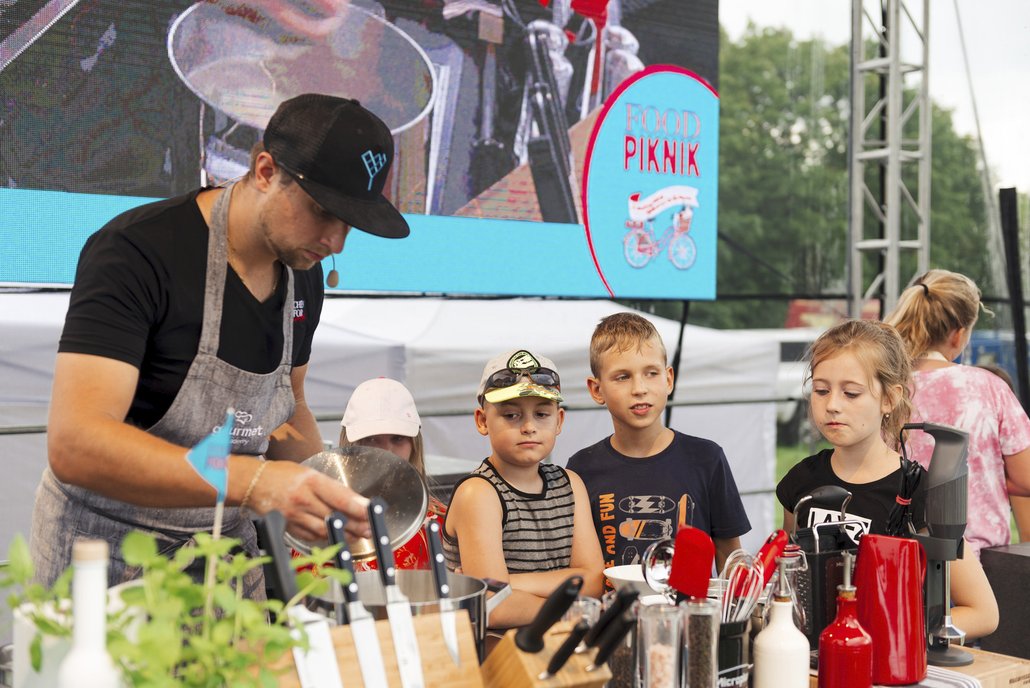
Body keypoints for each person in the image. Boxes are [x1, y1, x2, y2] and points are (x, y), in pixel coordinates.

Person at [32, 94, 410, 597]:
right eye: (322, 211)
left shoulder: (303, 275)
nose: (336, 241)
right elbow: (76, 443)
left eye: (351, 223)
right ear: (265, 170)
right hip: (107, 557)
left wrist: (329, 486)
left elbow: (287, 410)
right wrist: (254, 482)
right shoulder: (138, 252)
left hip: (223, 558)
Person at [777, 319, 998, 640]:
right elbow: (791, 583)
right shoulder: (800, 481)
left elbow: (982, 611)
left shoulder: (919, 491)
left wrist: (899, 635)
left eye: (851, 393)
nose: (832, 405)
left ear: (889, 399)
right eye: (821, 390)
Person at [567, 312, 751, 576]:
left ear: (669, 379)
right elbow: (580, 566)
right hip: (614, 615)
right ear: (596, 390)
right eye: (622, 377)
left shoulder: (706, 458)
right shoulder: (581, 468)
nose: (639, 388)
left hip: (691, 614)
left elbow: (730, 554)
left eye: (651, 373)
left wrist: (736, 612)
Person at [442, 349, 605, 628]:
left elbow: (593, 582)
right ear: (482, 420)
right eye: (511, 415)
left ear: (559, 421)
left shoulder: (570, 484)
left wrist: (510, 583)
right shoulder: (479, 493)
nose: (529, 426)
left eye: (541, 413)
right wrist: (571, 613)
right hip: (493, 658)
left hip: (559, 651)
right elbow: (494, 606)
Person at [884, 269, 1030, 558]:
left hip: (899, 558)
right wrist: (984, 471)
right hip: (979, 562)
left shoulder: (886, 389)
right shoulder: (989, 387)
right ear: (959, 334)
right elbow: (1026, 478)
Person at [337, 377, 446, 571]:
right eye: (371, 439)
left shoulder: (440, 522)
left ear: (415, 445)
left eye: (397, 438)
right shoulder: (325, 521)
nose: (386, 451)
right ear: (349, 445)